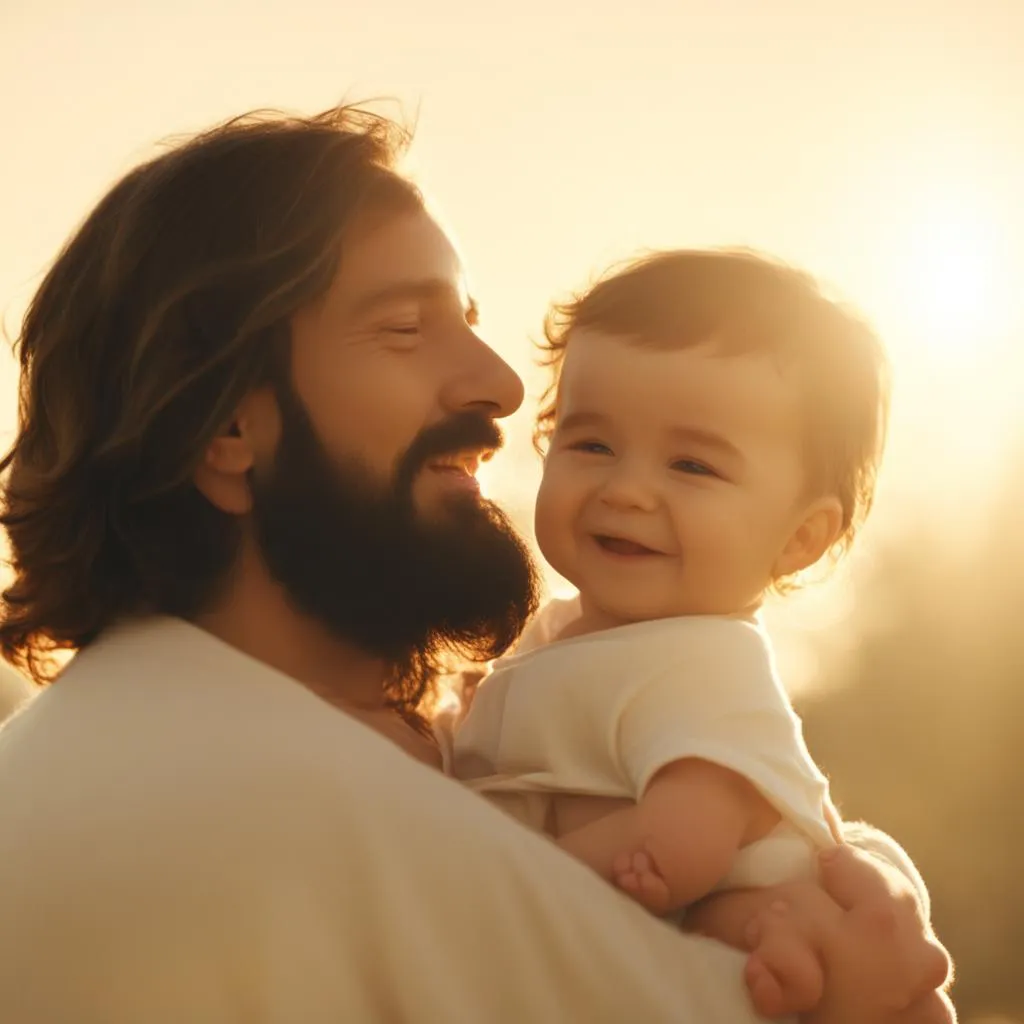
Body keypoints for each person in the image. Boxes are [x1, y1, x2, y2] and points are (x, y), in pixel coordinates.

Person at [0, 104, 952, 1023]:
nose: (502, 387)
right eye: (407, 330)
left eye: (466, 318)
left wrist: (837, 860)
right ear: (228, 429)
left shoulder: (313, 747)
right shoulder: (230, 813)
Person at [452, 249, 892, 1015]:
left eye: (691, 465)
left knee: (751, 929)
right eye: (591, 444)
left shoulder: (707, 667)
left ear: (799, 538)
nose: (626, 490)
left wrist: (501, 879)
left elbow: (681, 841)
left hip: (705, 940)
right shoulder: (556, 640)